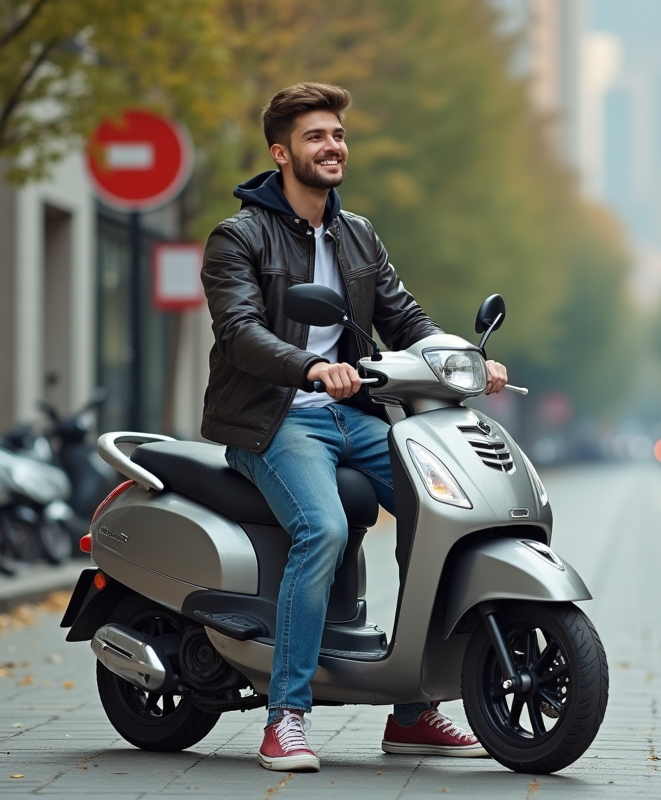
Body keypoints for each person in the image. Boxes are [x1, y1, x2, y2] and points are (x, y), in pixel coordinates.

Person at [200, 82, 509, 773]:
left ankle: (413, 712)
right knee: (326, 529)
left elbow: (405, 319)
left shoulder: (357, 233)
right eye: (316, 137)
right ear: (281, 154)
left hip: (357, 415)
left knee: (446, 515)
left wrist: (465, 360)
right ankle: (286, 717)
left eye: (338, 134)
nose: (333, 146)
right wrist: (311, 368)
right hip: (274, 420)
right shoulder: (238, 237)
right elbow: (242, 333)